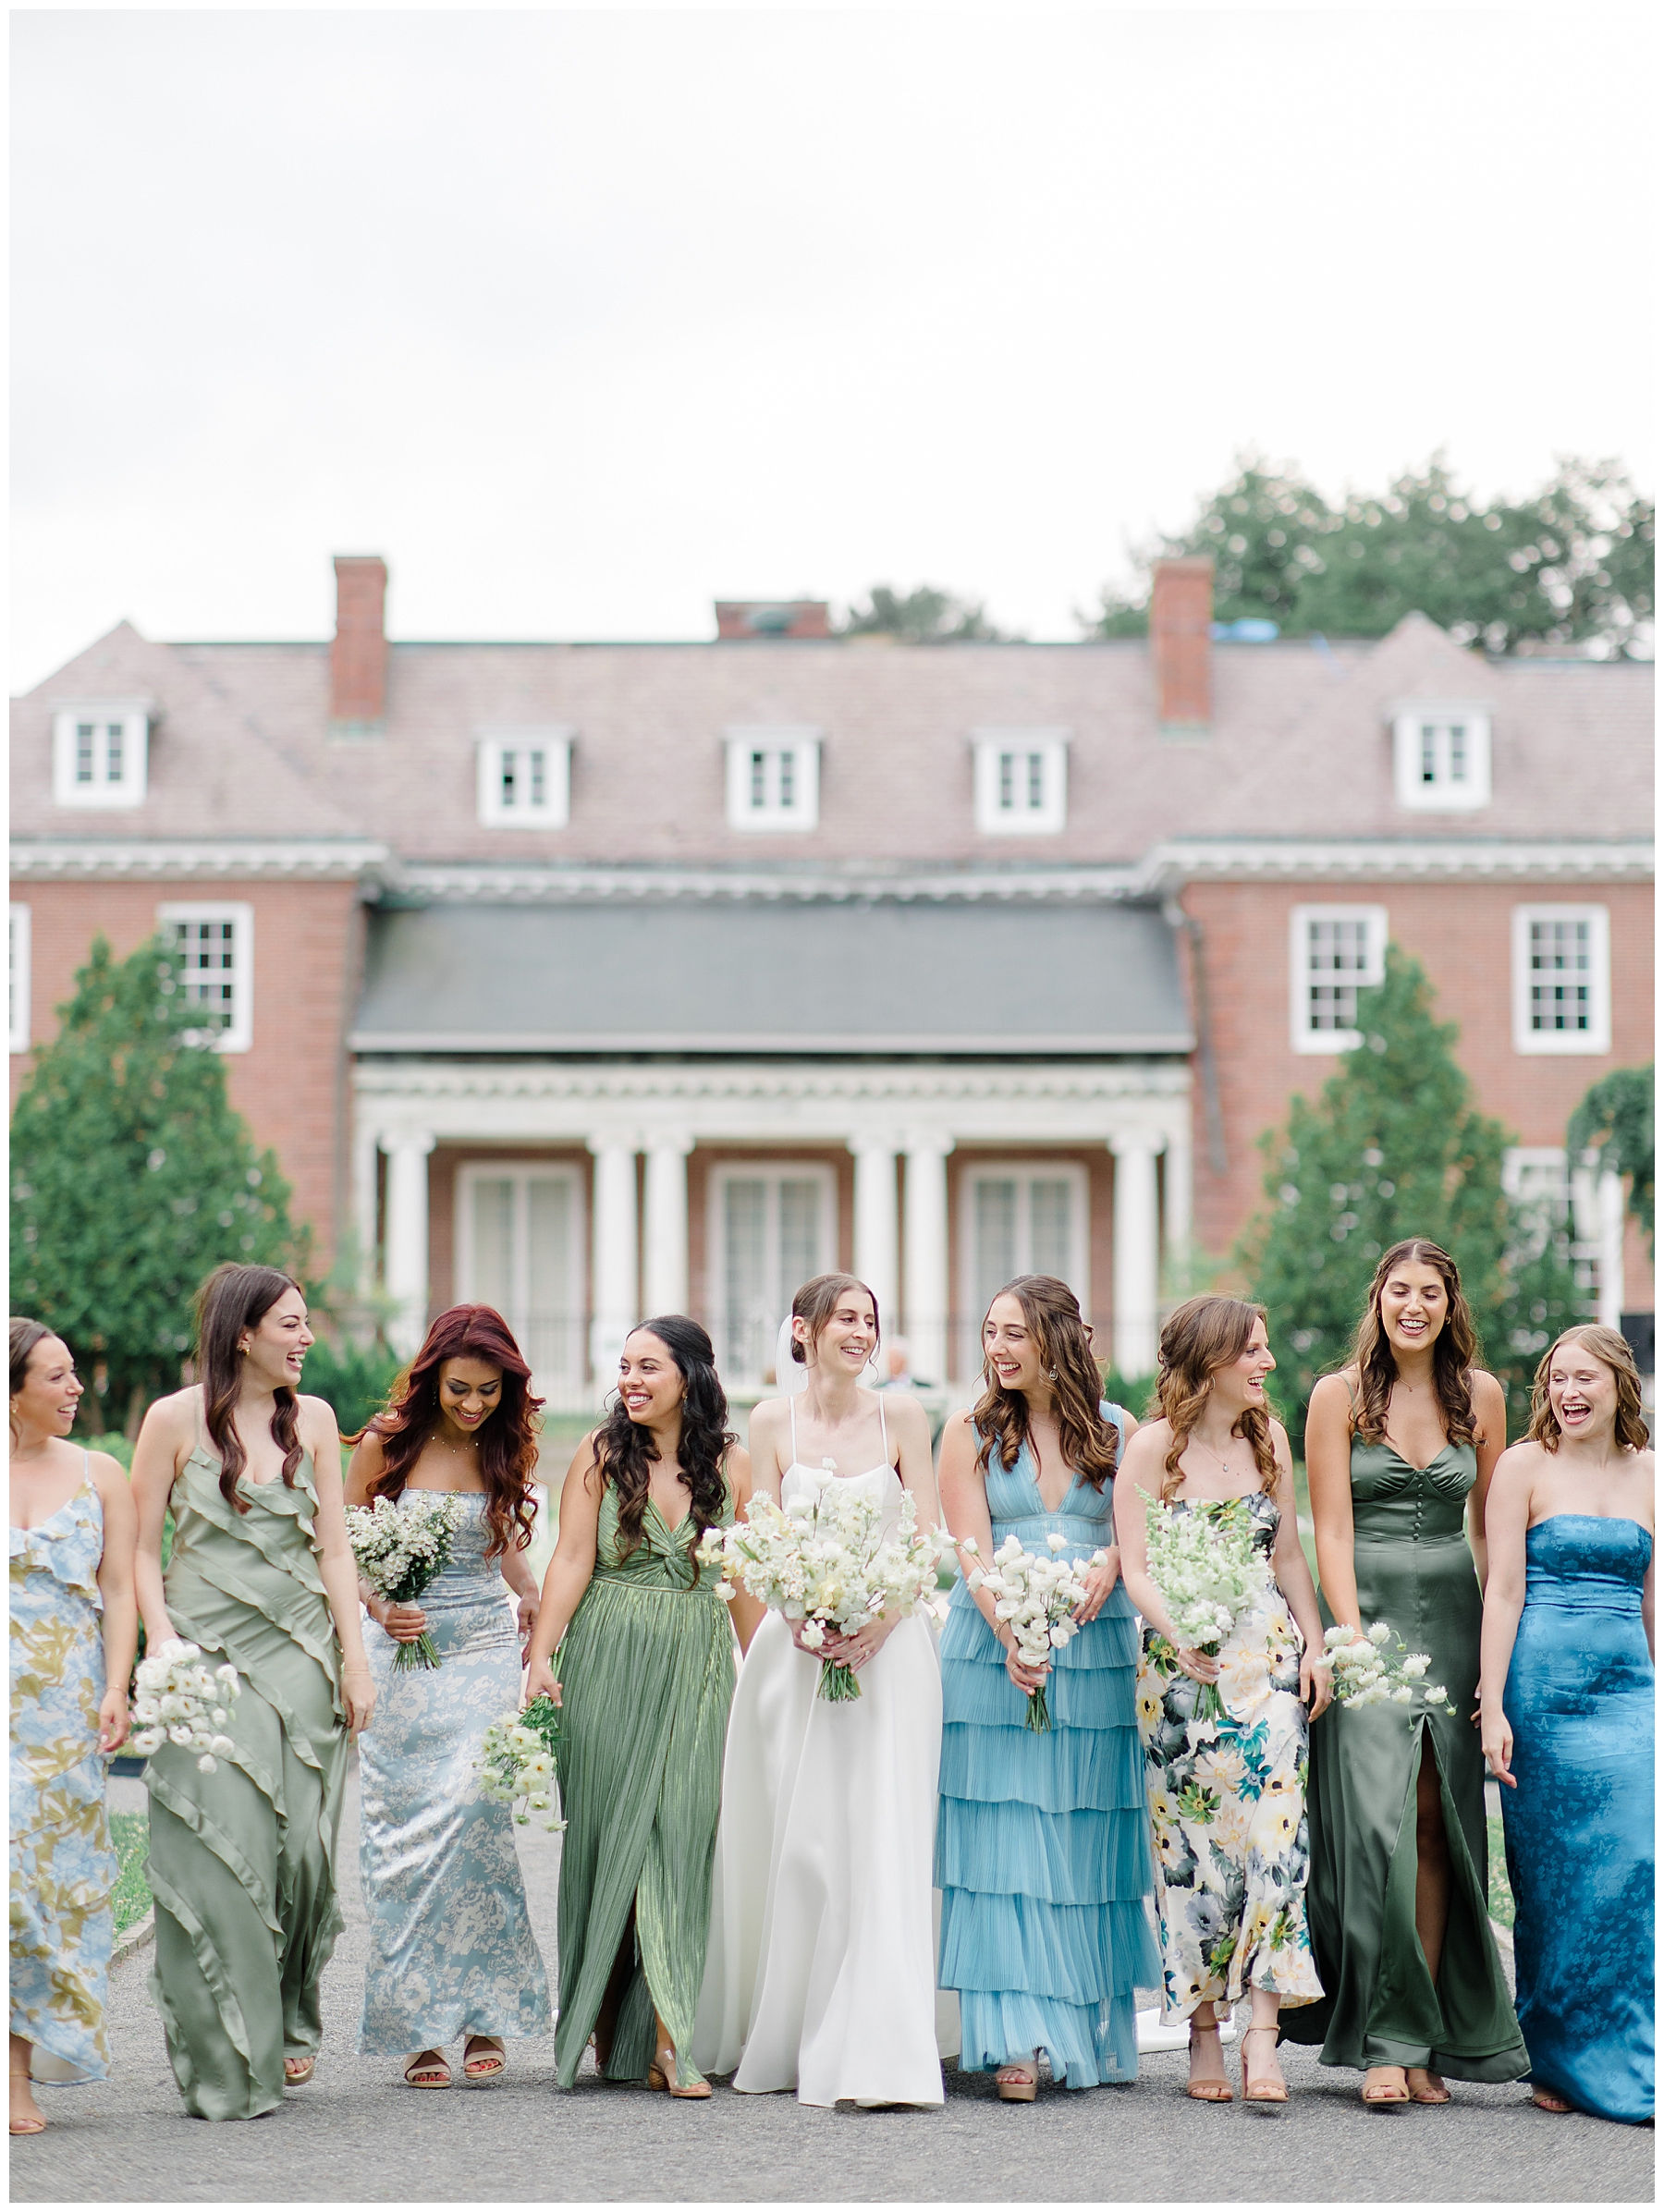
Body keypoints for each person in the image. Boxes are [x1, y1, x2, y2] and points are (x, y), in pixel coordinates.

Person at [129, 1264, 374, 2120]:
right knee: (221, 1857)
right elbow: (141, 1549)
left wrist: (355, 1658)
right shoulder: (170, 1419)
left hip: (303, 1660)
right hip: (204, 1663)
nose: (307, 1339)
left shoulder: (314, 1419)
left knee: (302, 1859)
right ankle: (227, 2057)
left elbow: (335, 1551)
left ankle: (288, 2012)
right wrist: (160, 1641)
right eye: (292, 1325)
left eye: (307, 1324)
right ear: (244, 1334)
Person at [693, 1273, 945, 2108]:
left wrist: (879, 1620)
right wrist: (800, 1612)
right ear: (801, 1328)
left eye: (871, 1320)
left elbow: (928, 1536)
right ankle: (794, 2023)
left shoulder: (902, 1416)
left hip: (889, 1653)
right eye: (847, 1318)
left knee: (879, 1832)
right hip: (794, 1652)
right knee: (800, 1839)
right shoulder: (770, 1421)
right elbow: (757, 1535)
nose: (862, 1332)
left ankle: (879, 2039)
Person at [1288, 1238, 1526, 2107]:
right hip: (1370, 1629)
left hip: (1457, 1627)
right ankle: (1383, 2035)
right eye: (1399, 1290)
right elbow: (1333, 1531)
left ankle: (1422, 2039)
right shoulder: (1336, 1396)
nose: (1413, 1305)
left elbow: (1491, 1535)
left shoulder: (1486, 1396)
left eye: (1429, 1291)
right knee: (1375, 1831)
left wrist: (1500, 1649)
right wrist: (1350, 1641)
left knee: (1440, 1828)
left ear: (1449, 1302)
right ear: (1380, 1300)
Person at [935, 1274, 1156, 2100]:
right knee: (1006, 1845)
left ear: (1059, 1338)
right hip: (994, 1653)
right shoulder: (966, 1432)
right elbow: (969, 1546)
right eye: (990, 1332)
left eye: (1014, 1333)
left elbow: (1132, 1536)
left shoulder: (1119, 1429)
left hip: (1095, 1651)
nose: (997, 1348)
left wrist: (1108, 1563)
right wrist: (1010, 1634)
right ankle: (1014, 2042)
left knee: (1079, 1836)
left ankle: (1076, 2028)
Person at [526, 1315, 752, 2097]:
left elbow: (743, 1580)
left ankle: (668, 2038)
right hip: (607, 1658)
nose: (631, 1379)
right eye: (624, 1365)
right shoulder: (599, 1454)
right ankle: (605, 2013)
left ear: (690, 1374)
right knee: (606, 1841)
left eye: (648, 1365)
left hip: (694, 1660)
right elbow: (571, 1558)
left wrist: (764, 1676)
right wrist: (542, 1656)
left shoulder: (732, 1463)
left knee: (680, 1839)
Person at [1116, 1294, 1328, 2105]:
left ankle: (1263, 2036)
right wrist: (1179, 1632)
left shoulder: (1268, 1437)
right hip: (1177, 1676)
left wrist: (1314, 1644)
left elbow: (1289, 1558)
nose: (1267, 1364)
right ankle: (1203, 2026)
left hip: (1265, 1662)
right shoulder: (1148, 1449)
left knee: (1277, 1837)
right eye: (1253, 1351)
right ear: (1210, 1360)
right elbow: (1134, 1567)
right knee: (1190, 1852)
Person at [348, 1304, 550, 2091]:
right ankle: (420, 2026)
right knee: (405, 1841)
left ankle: (487, 2007)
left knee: (476, 1819)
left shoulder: (501, 1443)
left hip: (483, 1651)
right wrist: (377, 1604)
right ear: (432, 1378)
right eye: (461, 1388)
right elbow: (342, 1545)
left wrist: (530, 1595)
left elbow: (503, 1545)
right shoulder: (382, 1446)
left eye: (490, 1391)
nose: (474, 1404)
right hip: (402, 1654)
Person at [1480, 1325, 1654, 2124]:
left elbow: (1656, 1600)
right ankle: (1553, 2053)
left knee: (1630, 1870)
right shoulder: (1523, 1466)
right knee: (1550, 1879)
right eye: (1556, 1378)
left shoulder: (1651, 1471)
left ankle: (1626, 2052)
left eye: (1585, 1377)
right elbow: (1504, 1590)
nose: (1569, 1392)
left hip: (1627, 1691)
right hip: (1542, 1688)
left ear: (1619, 1382)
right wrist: (1493, 1700)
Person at [9, 1320, 138, 2137]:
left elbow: (120, 1588)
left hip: (64, 1715)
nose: (76, 1389)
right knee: (9, 1886)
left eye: (74, 1374)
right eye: (56, 1377)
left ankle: (17, 2063)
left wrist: (118, 1686)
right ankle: (9, 2075)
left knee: (45, 1894)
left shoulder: (101, 1473)